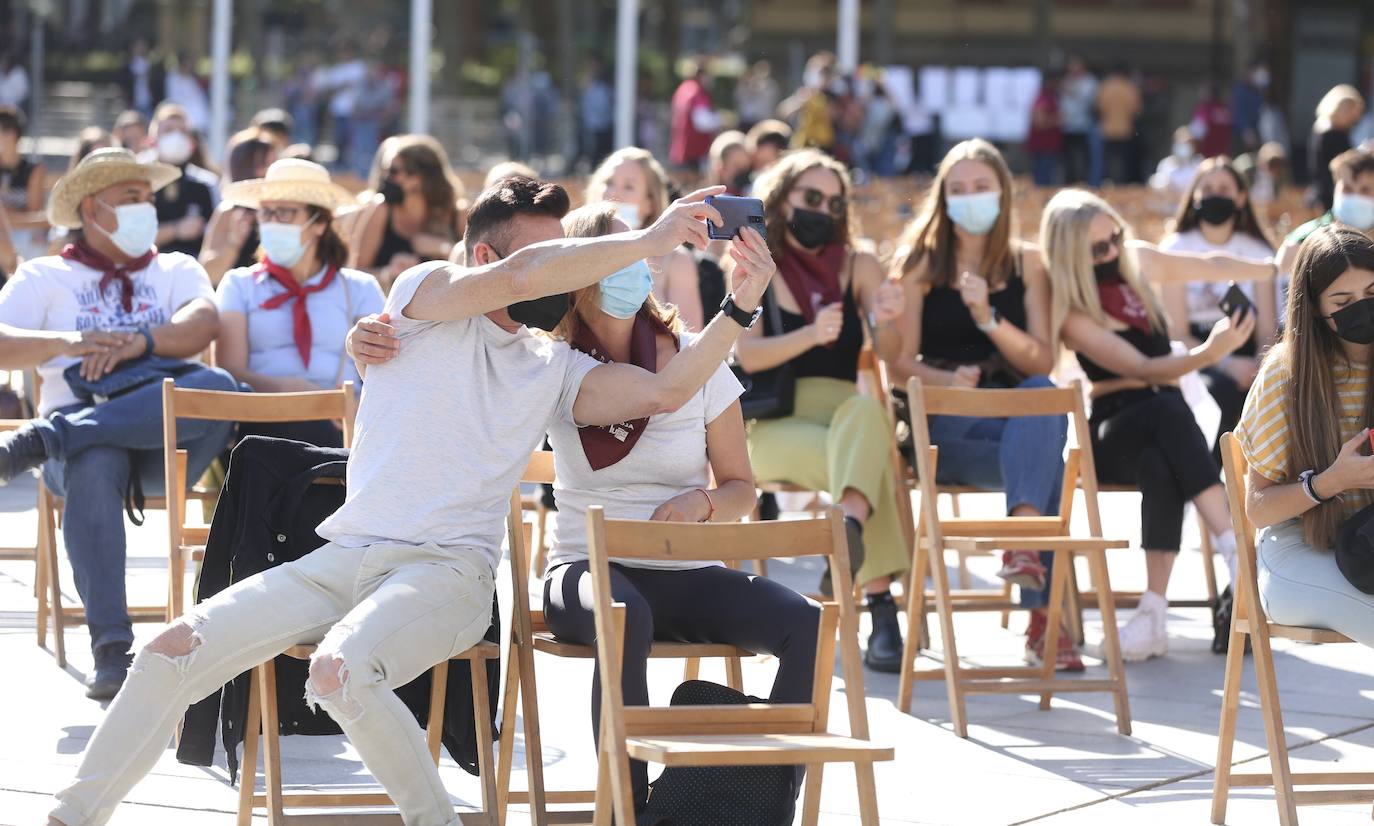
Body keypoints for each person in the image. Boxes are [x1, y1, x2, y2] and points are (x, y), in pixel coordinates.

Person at [45, 175, 773, 826]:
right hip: (343, 557)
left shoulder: (556, 366)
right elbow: (528, 271)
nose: (566, 273)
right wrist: (645, 238)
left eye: (567, 254)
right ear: (485, 262)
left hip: (448, 575)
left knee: (337, 673)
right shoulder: (421, 296)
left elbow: (669, 390)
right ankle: (72, 817)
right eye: (550, 256)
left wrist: (738, 308)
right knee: (168, 649)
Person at [351, 200, 812, 816]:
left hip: (683, 569)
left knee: (805, 621)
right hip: (587, 573)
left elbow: (740, 488)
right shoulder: (549, 366)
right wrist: (366, 343)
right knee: (626, 615)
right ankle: (630, 806)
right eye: (623, 253)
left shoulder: (697, 355)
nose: (640, 266)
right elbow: (455, 363)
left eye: (644, 254)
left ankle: (758, 802)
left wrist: (702, 504)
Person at [0, 148, 236, 700]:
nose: (145, 209)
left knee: (220, 389)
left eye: (148, 200)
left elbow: (203, 323)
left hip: (161, 446)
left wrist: (142, 342)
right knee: (96, 457)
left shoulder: (175, 266)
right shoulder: (45, 275)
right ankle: (112, 648)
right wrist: (70, 342)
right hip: (85, 458)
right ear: (91, 209)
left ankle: (47, 438)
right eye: (131, 199)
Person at [1041, 188, 1276, 660]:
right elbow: (1142, 370)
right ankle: (1236, 548)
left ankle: (1153, 612)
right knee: (1165, 411)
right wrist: (1210, 353)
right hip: (1112, 428)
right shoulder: (1072, 312)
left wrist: (1266, 269)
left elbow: (1205, 265)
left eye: (1114, 238)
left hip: (1161, 425)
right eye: (1097, 249)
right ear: (1070, 256)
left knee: (1162, 457)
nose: (1110, 252)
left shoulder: (1135, 263)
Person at [882, 139, 1077, 670]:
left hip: (1015, 418)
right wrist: (949, 376)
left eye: (981, 188)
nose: (970, 198)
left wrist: (989, 317)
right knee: (1048, 459)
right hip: (950, 429)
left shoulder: (1028, 264)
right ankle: (1044, 618)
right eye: (958, 189)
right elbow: (898, 366)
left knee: (1040, 399)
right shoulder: (921, 264)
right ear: (943, 198)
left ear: (1002, 194)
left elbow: (1041, 361)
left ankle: (1022, 541)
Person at [731, 149, 908, 672]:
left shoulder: (860, 265)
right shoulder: (755, 260)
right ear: (783, 198)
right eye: (811, 197)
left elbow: (893, 354)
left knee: (865, 413)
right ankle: (881, 611)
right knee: (869, 463)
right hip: (773, 423)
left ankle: (848, 527)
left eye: (834, 202)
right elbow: (746, 351)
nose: (822, 210)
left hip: (845, 418)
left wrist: (889, 319)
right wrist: (812, 335)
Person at [1234, 225, 1374, 646]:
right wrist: (1332, 481)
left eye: (1372, 292)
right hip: (1297, 547)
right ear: (1314, 308)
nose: (1362, 308)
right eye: (1343, 301)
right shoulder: (1286, 373)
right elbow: (1257, 509)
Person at [215, 159, 383, 447]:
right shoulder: (238, 285)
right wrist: (292, 391)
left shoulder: (360, 288)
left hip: (346, 423)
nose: (271, 222)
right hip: (263, 421)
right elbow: (230, 370)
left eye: (285, 213)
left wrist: (350, 406)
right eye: (265, 213)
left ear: (319, 223)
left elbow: (384, 370)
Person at [1159, 156, 1278, 467]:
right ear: (1195, 196)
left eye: (1224, 188)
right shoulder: (1174, 249)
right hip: (1198, 351)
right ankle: (1213, 489)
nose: (1215, 194)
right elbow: (1177, 332)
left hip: (1250, 349)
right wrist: (1224, 363)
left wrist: (1257, 365)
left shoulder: (1259, 253)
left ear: (1240, 197)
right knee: (1221, 393)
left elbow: (1267, 327)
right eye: (1207, 187)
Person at [587, 147, 705, 330]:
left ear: (650, 203)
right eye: (609, 182)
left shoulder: (676, 260)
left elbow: (690, 341)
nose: (613, 194)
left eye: (629, 186)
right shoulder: (574, 245)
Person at [350, 134, 467, 292]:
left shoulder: (456, 214)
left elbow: (477, 269)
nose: (386, 177)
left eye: (393, 171)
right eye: (385, 170)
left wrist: (445, 249)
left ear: (419, 177)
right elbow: (355, 273)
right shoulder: (382, 209)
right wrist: (388, 273)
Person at [1277, 148, 1374, 306]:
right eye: (1348, 189)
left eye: (1365, 190)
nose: (1356, 197)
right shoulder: (1303, 240)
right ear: (1335, 188)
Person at [198, 132, 276, 285]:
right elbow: (207, 273)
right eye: (265, 164)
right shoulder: (229, 212)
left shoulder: (281, 210)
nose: (271, 171)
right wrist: (234, 242)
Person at [147, 103, 218, 258]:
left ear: (192, 143)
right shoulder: (138, 181)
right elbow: (130, 239)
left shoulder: (206, 184)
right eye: (168, 130)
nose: (176, 136)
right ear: (152, 140)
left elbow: (217, 238)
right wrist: (176, 230)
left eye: (183, 131)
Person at [0, 105, 48, 262]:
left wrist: (6, 215)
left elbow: (33, 213)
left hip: (23, 235)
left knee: (33, 243)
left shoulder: (33, 169)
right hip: (9, 231)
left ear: (11, 135)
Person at [1310, 85, 1366, 212]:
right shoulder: (1333, 134)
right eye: (1353, 114)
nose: (1355, 120)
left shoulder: (1321, 128)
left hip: (1324, 191)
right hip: (1332, 195)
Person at [668, 58, 720, 171]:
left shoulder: (683, 88)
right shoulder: (697, 93)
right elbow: (702, 122)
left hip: (681, 148)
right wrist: (720, 120)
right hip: (694, 150)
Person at [1097, 66, 1143, 185]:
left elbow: (1099, 107)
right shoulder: (1130, 88)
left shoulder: (1106, 87)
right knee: (1126, 162)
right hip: (1125, 130)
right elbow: (1136, 110)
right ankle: (1123, 184)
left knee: (1107, 162)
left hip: (1107, 130)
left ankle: (1106, 183)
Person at [1058, 55, 1098, 185]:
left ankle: (1084, 181)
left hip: (1084, 126)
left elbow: (1089, 100)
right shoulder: (1066, 80)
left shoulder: (1089, 81)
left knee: (1084, 156)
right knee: (1068, 157)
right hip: (1067, 126)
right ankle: (1069, 181)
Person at [577, 57, 614, 171]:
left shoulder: (605, 87)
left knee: (600, 154)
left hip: (603, 126)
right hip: (592, 126)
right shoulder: (590, 85)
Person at [1027, 75, 1063, 187]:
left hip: (1047, 145)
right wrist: (1057, 119)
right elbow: (1039, 122)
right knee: (1043, 177)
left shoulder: (1049, 98)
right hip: (1044, 145)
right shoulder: (1043, 99)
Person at [1151, 126, 1204, 196]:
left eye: (1186, 143)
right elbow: (1158, 185)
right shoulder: (1165, 164)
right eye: (1180, 143)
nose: (1183, 146)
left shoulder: (1200, 164)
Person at [163, 53, 210, 132]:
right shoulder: (172, 79)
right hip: (184, 123)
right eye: (188, 63)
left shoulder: (192, 79)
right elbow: (174, 101)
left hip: (201, 123)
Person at [1232, 61, 1270, 156]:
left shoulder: (1258, 91)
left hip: (1257, 132)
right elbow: (1239, 112)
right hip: (1243, 135)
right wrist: (1246, 131)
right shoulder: (1241, 90)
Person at [119, 39, 163, 120]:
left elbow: (157, 86)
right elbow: (124, 86)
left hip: (149, 104)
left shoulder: (152, 66)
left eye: (143, 45)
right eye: (138, 46)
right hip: (133, 105)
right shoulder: (127, 67)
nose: (141, 48)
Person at [736, 60, 780, 132]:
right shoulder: (746, 84)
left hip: (763, 120)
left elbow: (769, 101)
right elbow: (740, 98)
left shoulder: (770, 85)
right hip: (747, 121)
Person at [1190, 84, 1232, 160]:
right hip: (1222, 154)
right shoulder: (1224, 108)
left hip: (1207, 154)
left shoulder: (1204, 109)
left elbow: (1196, 133)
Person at [708, 130, 752, 195]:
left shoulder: (754, 193)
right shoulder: (711, 200)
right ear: (720, 168)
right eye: (737, 165)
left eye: (746, 166)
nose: (743, 171)